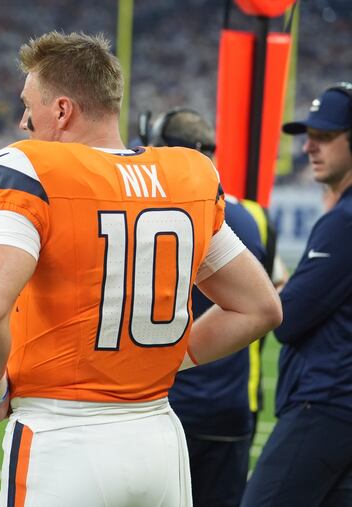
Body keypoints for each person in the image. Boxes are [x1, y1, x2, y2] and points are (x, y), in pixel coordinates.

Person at [0, 31, 282, 507]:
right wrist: (168, 358)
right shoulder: (188, 174)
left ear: (63, 110)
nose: (24, 120)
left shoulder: (31, 167)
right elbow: (260, 308)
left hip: (62, 437)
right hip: (159, 437)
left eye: (30, 105)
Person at [144, 108, 278, 507]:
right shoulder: (254, 215)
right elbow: (274, 289)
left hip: (169, 400)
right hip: (233, 400)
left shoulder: (160, 211)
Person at [242, 83, 352, 507]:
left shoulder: (343, 222)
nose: (308, 148)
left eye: (325, 137)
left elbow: (285, 320)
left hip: (324, 402)